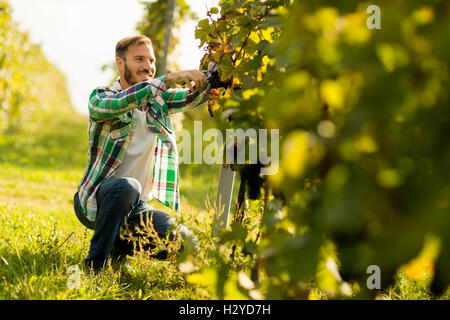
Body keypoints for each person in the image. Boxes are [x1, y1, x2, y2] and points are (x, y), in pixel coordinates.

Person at [73, 35, 211, 273]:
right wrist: (167, 79)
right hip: (97, 200)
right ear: (120, 63)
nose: (148, 66)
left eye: (151, 60)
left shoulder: (158, 103)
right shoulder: (102, 97)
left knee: (188, 244)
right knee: (127, 186)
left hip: (136, 208)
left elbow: (193, 97)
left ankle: (118, 242)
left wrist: (216, 77)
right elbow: (124, 100)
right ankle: (94, 265)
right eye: (139, 59)